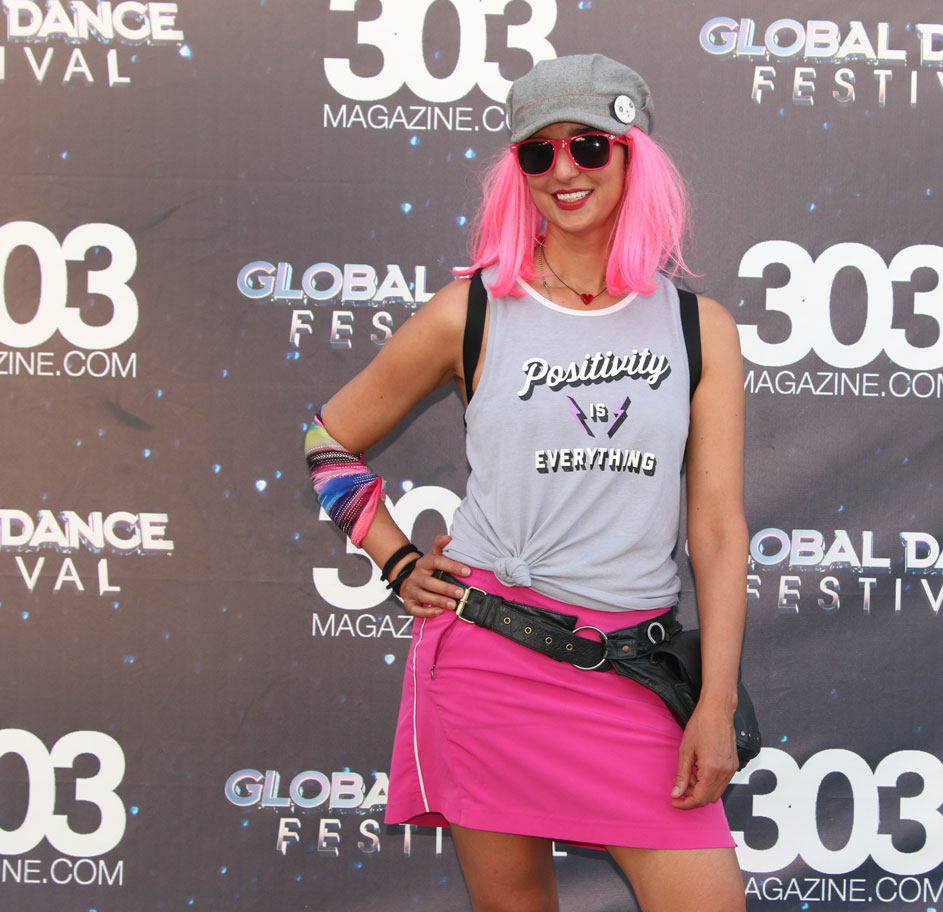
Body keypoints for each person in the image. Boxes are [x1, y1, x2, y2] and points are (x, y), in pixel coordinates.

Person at [305, 54, 748, 911]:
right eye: (538, 153)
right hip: (489, 664)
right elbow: (329, 442)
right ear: (518, 171)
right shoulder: (470, 310)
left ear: (632, 155)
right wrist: (397, 561)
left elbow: (720, 530)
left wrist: (716, 703)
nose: (564, 171)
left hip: (635, 673)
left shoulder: (701, 329)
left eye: (589, 145)